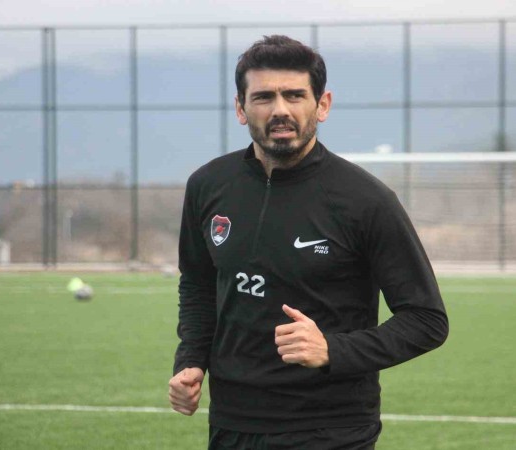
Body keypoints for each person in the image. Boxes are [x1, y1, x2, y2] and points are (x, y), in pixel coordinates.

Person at [169, 35, 448, 449]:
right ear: (241, 108)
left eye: (295, 95)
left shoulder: (365, 200)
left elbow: (426, 320)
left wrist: (333, 350)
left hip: (330, 428)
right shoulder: (208, 185)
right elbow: (197, 283)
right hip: (232, 421)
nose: (280, 109)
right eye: (263, 97)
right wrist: (191, 359)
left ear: (322, 105)